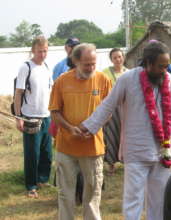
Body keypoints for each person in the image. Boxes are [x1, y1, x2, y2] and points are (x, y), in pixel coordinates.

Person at [80, 41, 171, 220]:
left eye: (166, 66)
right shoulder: (128, 79)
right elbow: (108, 104)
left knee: (159, 199)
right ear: (148, 63)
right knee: (133, 199)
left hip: (162, 150)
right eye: (161, 66)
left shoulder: (168, 80)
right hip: (136, 149)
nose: (164, 70)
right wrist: (90, 125)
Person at [48, 43, 112, 220]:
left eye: (93, 63)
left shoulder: (103, 80)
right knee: (65, 194)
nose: (91, 67)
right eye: (86, 64)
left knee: (92, 193)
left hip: (93, 147)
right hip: (66, 147)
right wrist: (70, 128)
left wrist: (93, 127)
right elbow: (54, 112)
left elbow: (108, 111)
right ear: (75, 61)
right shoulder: (62, 81)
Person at [14, 36, 53, 198]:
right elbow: (18, 93)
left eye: (45, 51)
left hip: (47, 116)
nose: (42, 54)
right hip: (30, 117)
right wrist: (18, 117)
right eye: (39, 51)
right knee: (32, 153)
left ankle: (42, 179)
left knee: (47, 152)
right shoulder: (26, 67)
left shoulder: (46, 67)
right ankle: (31, 185)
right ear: (33, 50)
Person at [102, 48, 128, 173]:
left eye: (120, 56)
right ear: (111, 60)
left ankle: (126, 161)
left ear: (123, 57)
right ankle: (111, 164)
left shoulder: (129, 72)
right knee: (111, 135)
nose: (118, 59)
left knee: (125, 135)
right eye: (115, 57)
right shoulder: (105, 73)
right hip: (111, 109)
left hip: (127, 109)